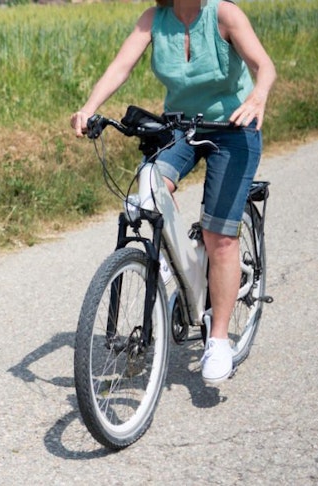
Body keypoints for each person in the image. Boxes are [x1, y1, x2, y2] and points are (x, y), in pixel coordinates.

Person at [70, 0, 276, 385]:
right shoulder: (154, 19)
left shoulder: (224, 15)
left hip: (233, 128)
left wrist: (258, 95)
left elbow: (264, 66)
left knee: (220, 237)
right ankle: (173, 261)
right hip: (182, 127)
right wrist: (89, 107)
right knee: (146, 194)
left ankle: (217, 341)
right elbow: (120, 66)